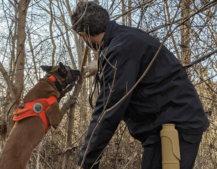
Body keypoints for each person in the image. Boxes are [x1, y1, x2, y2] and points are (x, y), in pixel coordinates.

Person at [71, 1, 210, 169]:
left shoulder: (120, 49)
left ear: (83, 35)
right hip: (166, 122)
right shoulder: (124, 39)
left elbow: (108, 112)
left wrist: (86, 162)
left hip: (175, 125)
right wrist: (100, 63)